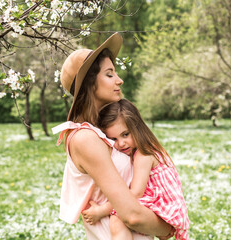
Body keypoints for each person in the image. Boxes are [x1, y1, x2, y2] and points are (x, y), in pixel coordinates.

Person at [52, 32, 175, 239]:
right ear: (90, 83)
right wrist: (169, 228)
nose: (119, 80)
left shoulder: (105, 133)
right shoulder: (85, 139)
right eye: (109, 74)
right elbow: (132, 216)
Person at [81, 99, 190, 240]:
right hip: (162, 204)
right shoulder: (143, 150)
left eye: (125, 134)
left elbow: (136, 194)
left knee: (117, 220)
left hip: (165, 206)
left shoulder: (144, 154)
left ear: (137, 128)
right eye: (113, 139)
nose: (121, 143)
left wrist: (102, 210)